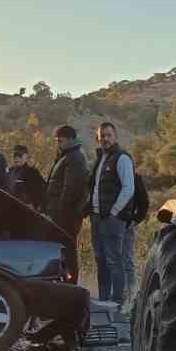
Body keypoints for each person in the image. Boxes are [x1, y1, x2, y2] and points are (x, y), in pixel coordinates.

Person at [86, 122, 136, 306]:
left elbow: (129, 188)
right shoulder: (100, 159)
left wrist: (115, 211)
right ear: (98, 139)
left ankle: (117, 301)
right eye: (102, 136)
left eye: (108, 135)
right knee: (100, 260)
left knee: (114, 260)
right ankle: (103, 299)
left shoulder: (122, 158)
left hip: (112, 219)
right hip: (97, 217)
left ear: (115, 137)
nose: (105, 139)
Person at [44, 126, 89, 278]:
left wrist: (60, 214)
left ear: (70, 139)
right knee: (62, 250)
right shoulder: (66, 156)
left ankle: (71, 286)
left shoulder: (74, 158)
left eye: (60, 141)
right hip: (60, 214)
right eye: (57, 141)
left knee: (68, 250)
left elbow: (70, 190)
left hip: (66, 216)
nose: (58, 144)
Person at [8, 145, 46, 210]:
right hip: (9, 208)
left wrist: (34, 205)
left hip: (25, 210)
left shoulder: (32, 172)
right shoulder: (9, 171)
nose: (17, 158)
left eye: (20, 155)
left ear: (26, 156)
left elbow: (42, 191)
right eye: (15, 155)